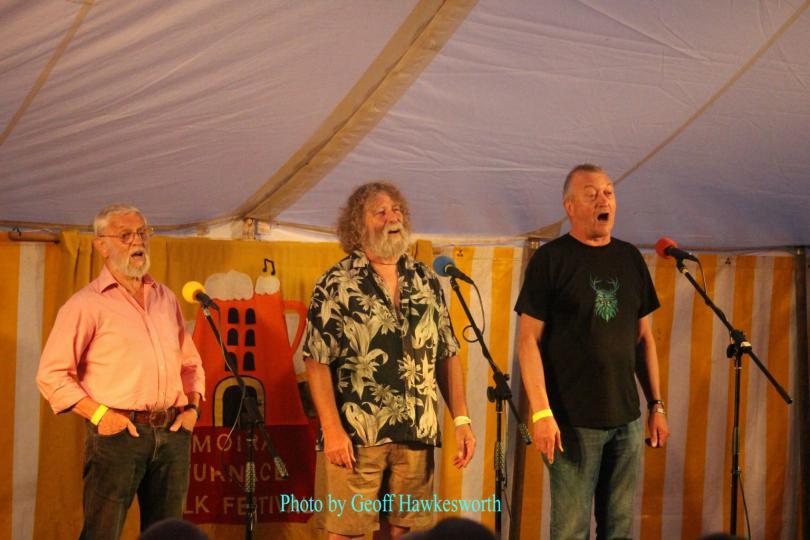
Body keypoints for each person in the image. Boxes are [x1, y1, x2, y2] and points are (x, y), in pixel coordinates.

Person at [303, 181, 476, 540]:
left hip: (417, 433)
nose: (392, 217)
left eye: (396, 210)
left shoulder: (426, 279)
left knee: (411, 532)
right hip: (355, 436)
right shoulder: (336, 282)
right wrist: (332, 430)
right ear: (357, 225)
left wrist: (461, 418)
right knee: (347, 533)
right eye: (380, 212)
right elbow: (316, 360)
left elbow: (447, 353)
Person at [515, 164, 670, 539]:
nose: (604, 200)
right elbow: (527, 342)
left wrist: (656, 406)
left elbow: (644, 339)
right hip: (571, 422)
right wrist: (540, 413)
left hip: (627, 421)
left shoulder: (631, 258)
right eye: (592, 193)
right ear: (570, 206)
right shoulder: (551, 260)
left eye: (609, 192)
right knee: (570, 530)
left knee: (618, 529)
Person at [37, 204, 205, 540]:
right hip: (118, 436)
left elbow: (190, 363)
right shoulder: (85, 305)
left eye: (143, 232)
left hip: (172, 432)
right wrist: (101, 415)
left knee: (167, 534)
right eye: (125, 235)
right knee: (103, 533)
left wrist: (193, 408)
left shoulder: (166, 298)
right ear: (101, 245)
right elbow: (51, 374)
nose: (137, 241)